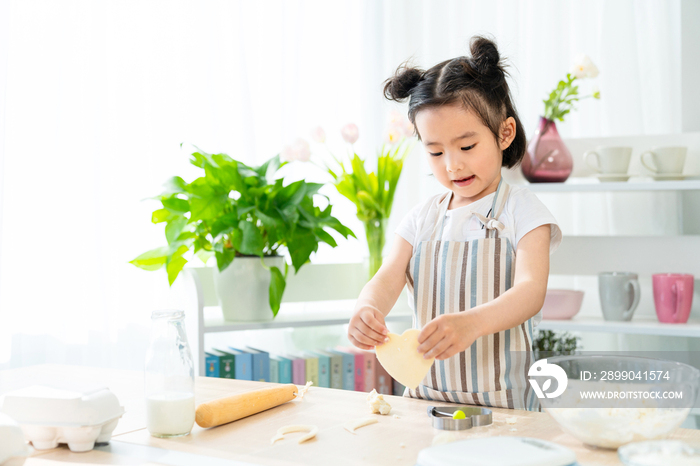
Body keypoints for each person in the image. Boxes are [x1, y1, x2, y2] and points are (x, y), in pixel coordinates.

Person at [347, 36, 562, 410]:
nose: (452, 165)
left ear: (504, 133)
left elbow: (531, 291)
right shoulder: (421, 218)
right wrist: (367, 309)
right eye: (435, 151)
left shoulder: (524, 211)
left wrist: (472, 323)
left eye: (466, 147)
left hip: (504, 406)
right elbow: (387, 277)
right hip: (423, 404)